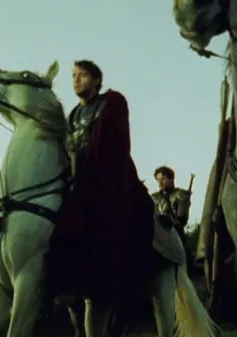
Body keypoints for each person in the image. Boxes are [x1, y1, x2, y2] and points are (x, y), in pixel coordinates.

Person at [52, 59, 156, 311]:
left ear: (97, 80)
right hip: (78, 180)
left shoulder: (112, 102)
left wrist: (88, 169)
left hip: (109, 177)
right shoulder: (72, 115)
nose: (76, 80)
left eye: (83, 75)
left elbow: (114, 143)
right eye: (73, 75)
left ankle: (131, 280)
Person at [151, 166, 192, 244]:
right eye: (158, 180)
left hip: (176, 236)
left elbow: (181, 219)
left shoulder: (180, 194)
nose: (160, 183)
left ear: (171, 179)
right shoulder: (154, 198)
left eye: (163, 179)